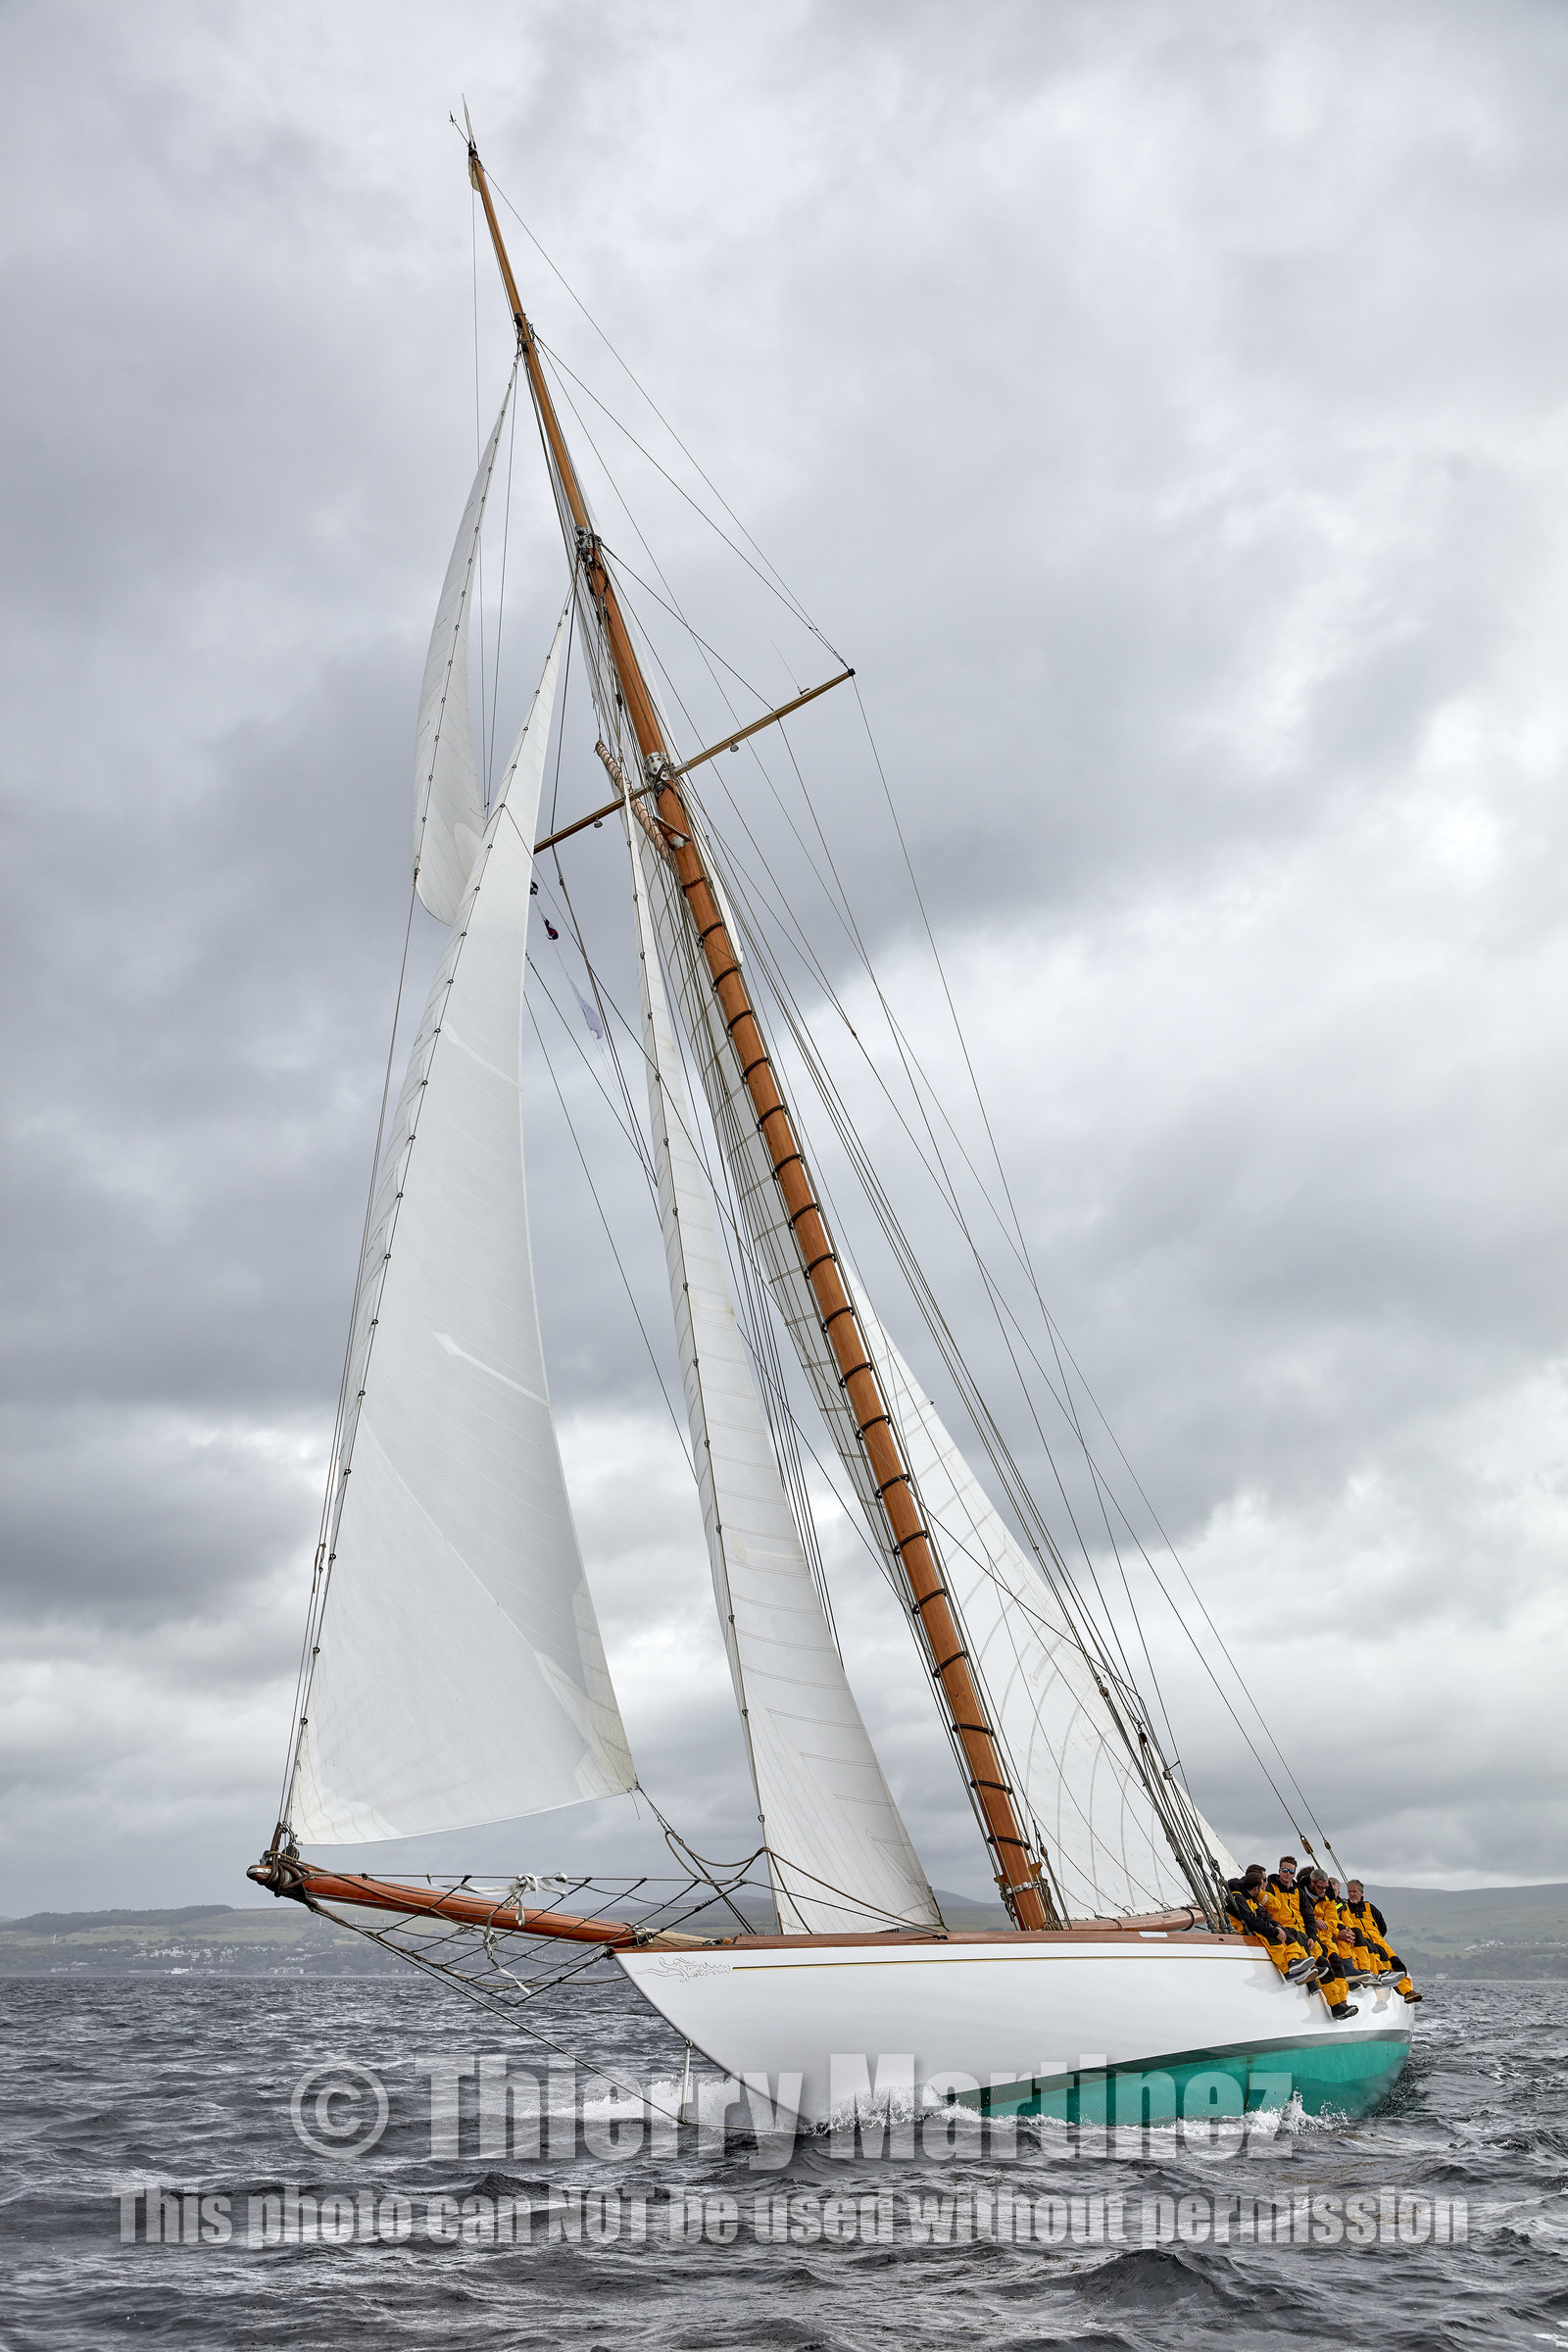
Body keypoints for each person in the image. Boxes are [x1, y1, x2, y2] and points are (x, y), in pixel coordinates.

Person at [1344, 1879, 1420, 2001]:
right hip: (1362, 1944)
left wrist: (1377, 1938)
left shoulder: (1370, 1908)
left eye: (1354, 1891)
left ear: (1361, 1892)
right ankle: (1380, 1984)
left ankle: (1407, 1991)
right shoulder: (1344, 1908)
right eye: (1349, 1892)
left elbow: (1382, 1927)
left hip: (1379, 1941)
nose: (1352, 1894)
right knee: (1378, 1962)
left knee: (1397, 1964)